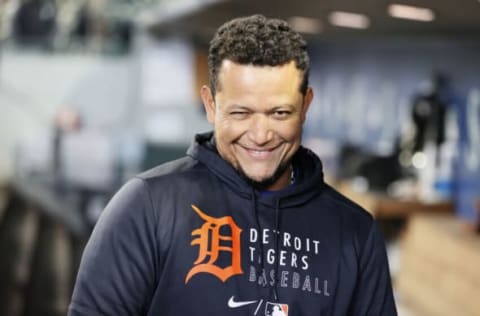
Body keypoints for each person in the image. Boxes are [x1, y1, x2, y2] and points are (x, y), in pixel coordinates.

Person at [68, 14, 397, 315]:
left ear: (306, 105)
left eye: (279, 113)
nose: (260, 135)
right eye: (241, 113)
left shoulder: (354, 233)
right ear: (211, 105)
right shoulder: (147, 207)